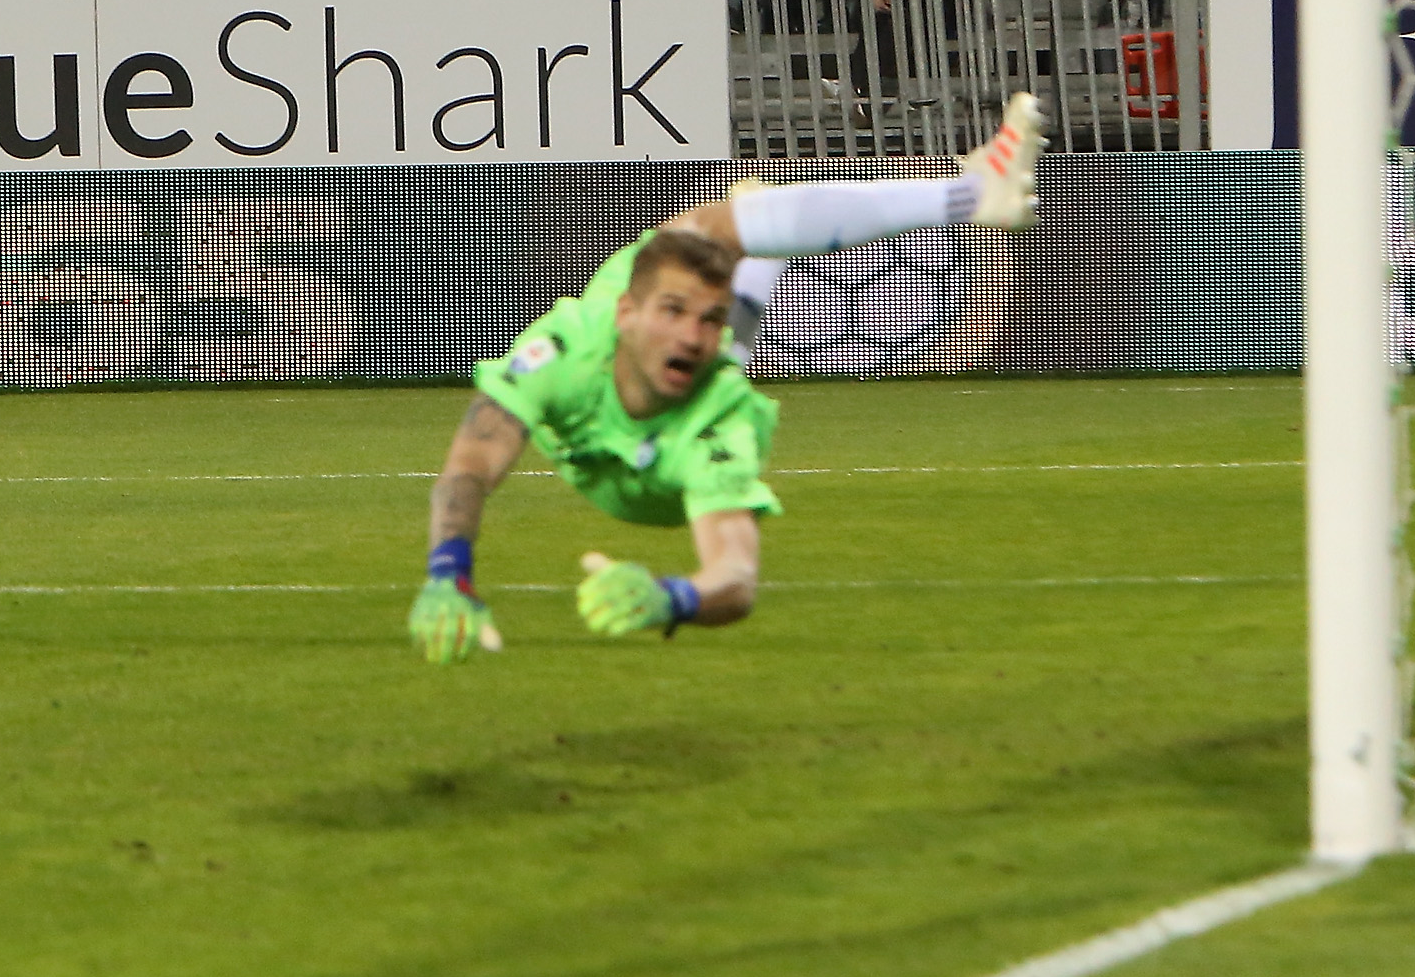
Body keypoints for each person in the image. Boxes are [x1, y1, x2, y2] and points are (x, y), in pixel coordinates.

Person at [406, 104, 1044, 662]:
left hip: (662, 455)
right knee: (726, 217)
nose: (690, 337)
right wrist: (448, 575)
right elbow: (471, 463)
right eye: (673, 313)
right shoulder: (567, 346)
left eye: (708, 321)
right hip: (608, 399)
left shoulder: (720, 414)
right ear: (627, 313)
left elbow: (735, 575)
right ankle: (965, 192)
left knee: (735, 223)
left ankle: (966, 192)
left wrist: (674, 597)